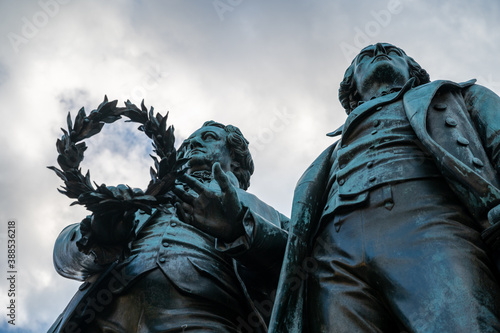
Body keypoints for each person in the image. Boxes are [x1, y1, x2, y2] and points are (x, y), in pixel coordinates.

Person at [269, 43, 500, 332]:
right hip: (332, 255)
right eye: (364, 56)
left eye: (394, 51)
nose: (379, 50)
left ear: (412, 70)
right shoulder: (325, 158)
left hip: (430, 225)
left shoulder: (457, 96)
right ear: (351, 85)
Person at [49, 121, 288, 333]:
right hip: (100, 317)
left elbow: (303, 267)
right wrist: (95, 235)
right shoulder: (137, 200)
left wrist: (240, 228)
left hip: (208, 318)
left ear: (236, 162)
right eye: (188, 142)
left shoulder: (265, 214)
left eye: (208, 138)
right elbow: (64, 260)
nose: (193, 144)